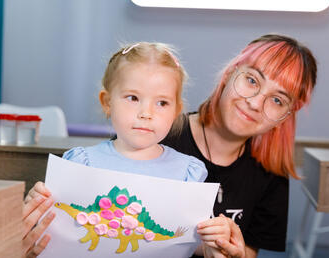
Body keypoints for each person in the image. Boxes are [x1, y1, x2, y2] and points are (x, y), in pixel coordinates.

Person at [23, 34, 317, 258]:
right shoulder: (151, 133)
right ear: (230, 75)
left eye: (278, 100)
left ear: (286, 116)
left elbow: (237, 251)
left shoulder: (269, 173)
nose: (255, 103)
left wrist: (228, 250)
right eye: (252, 81)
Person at [22, 42, 229, 257]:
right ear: (107, 102)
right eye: (133, 98)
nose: (146, 113)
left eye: (162, 103)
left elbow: (192, 243)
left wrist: (214, 242)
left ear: (176, 111)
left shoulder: (189, 172)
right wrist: (37, 207)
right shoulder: (80, 162)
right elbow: (51, 231)